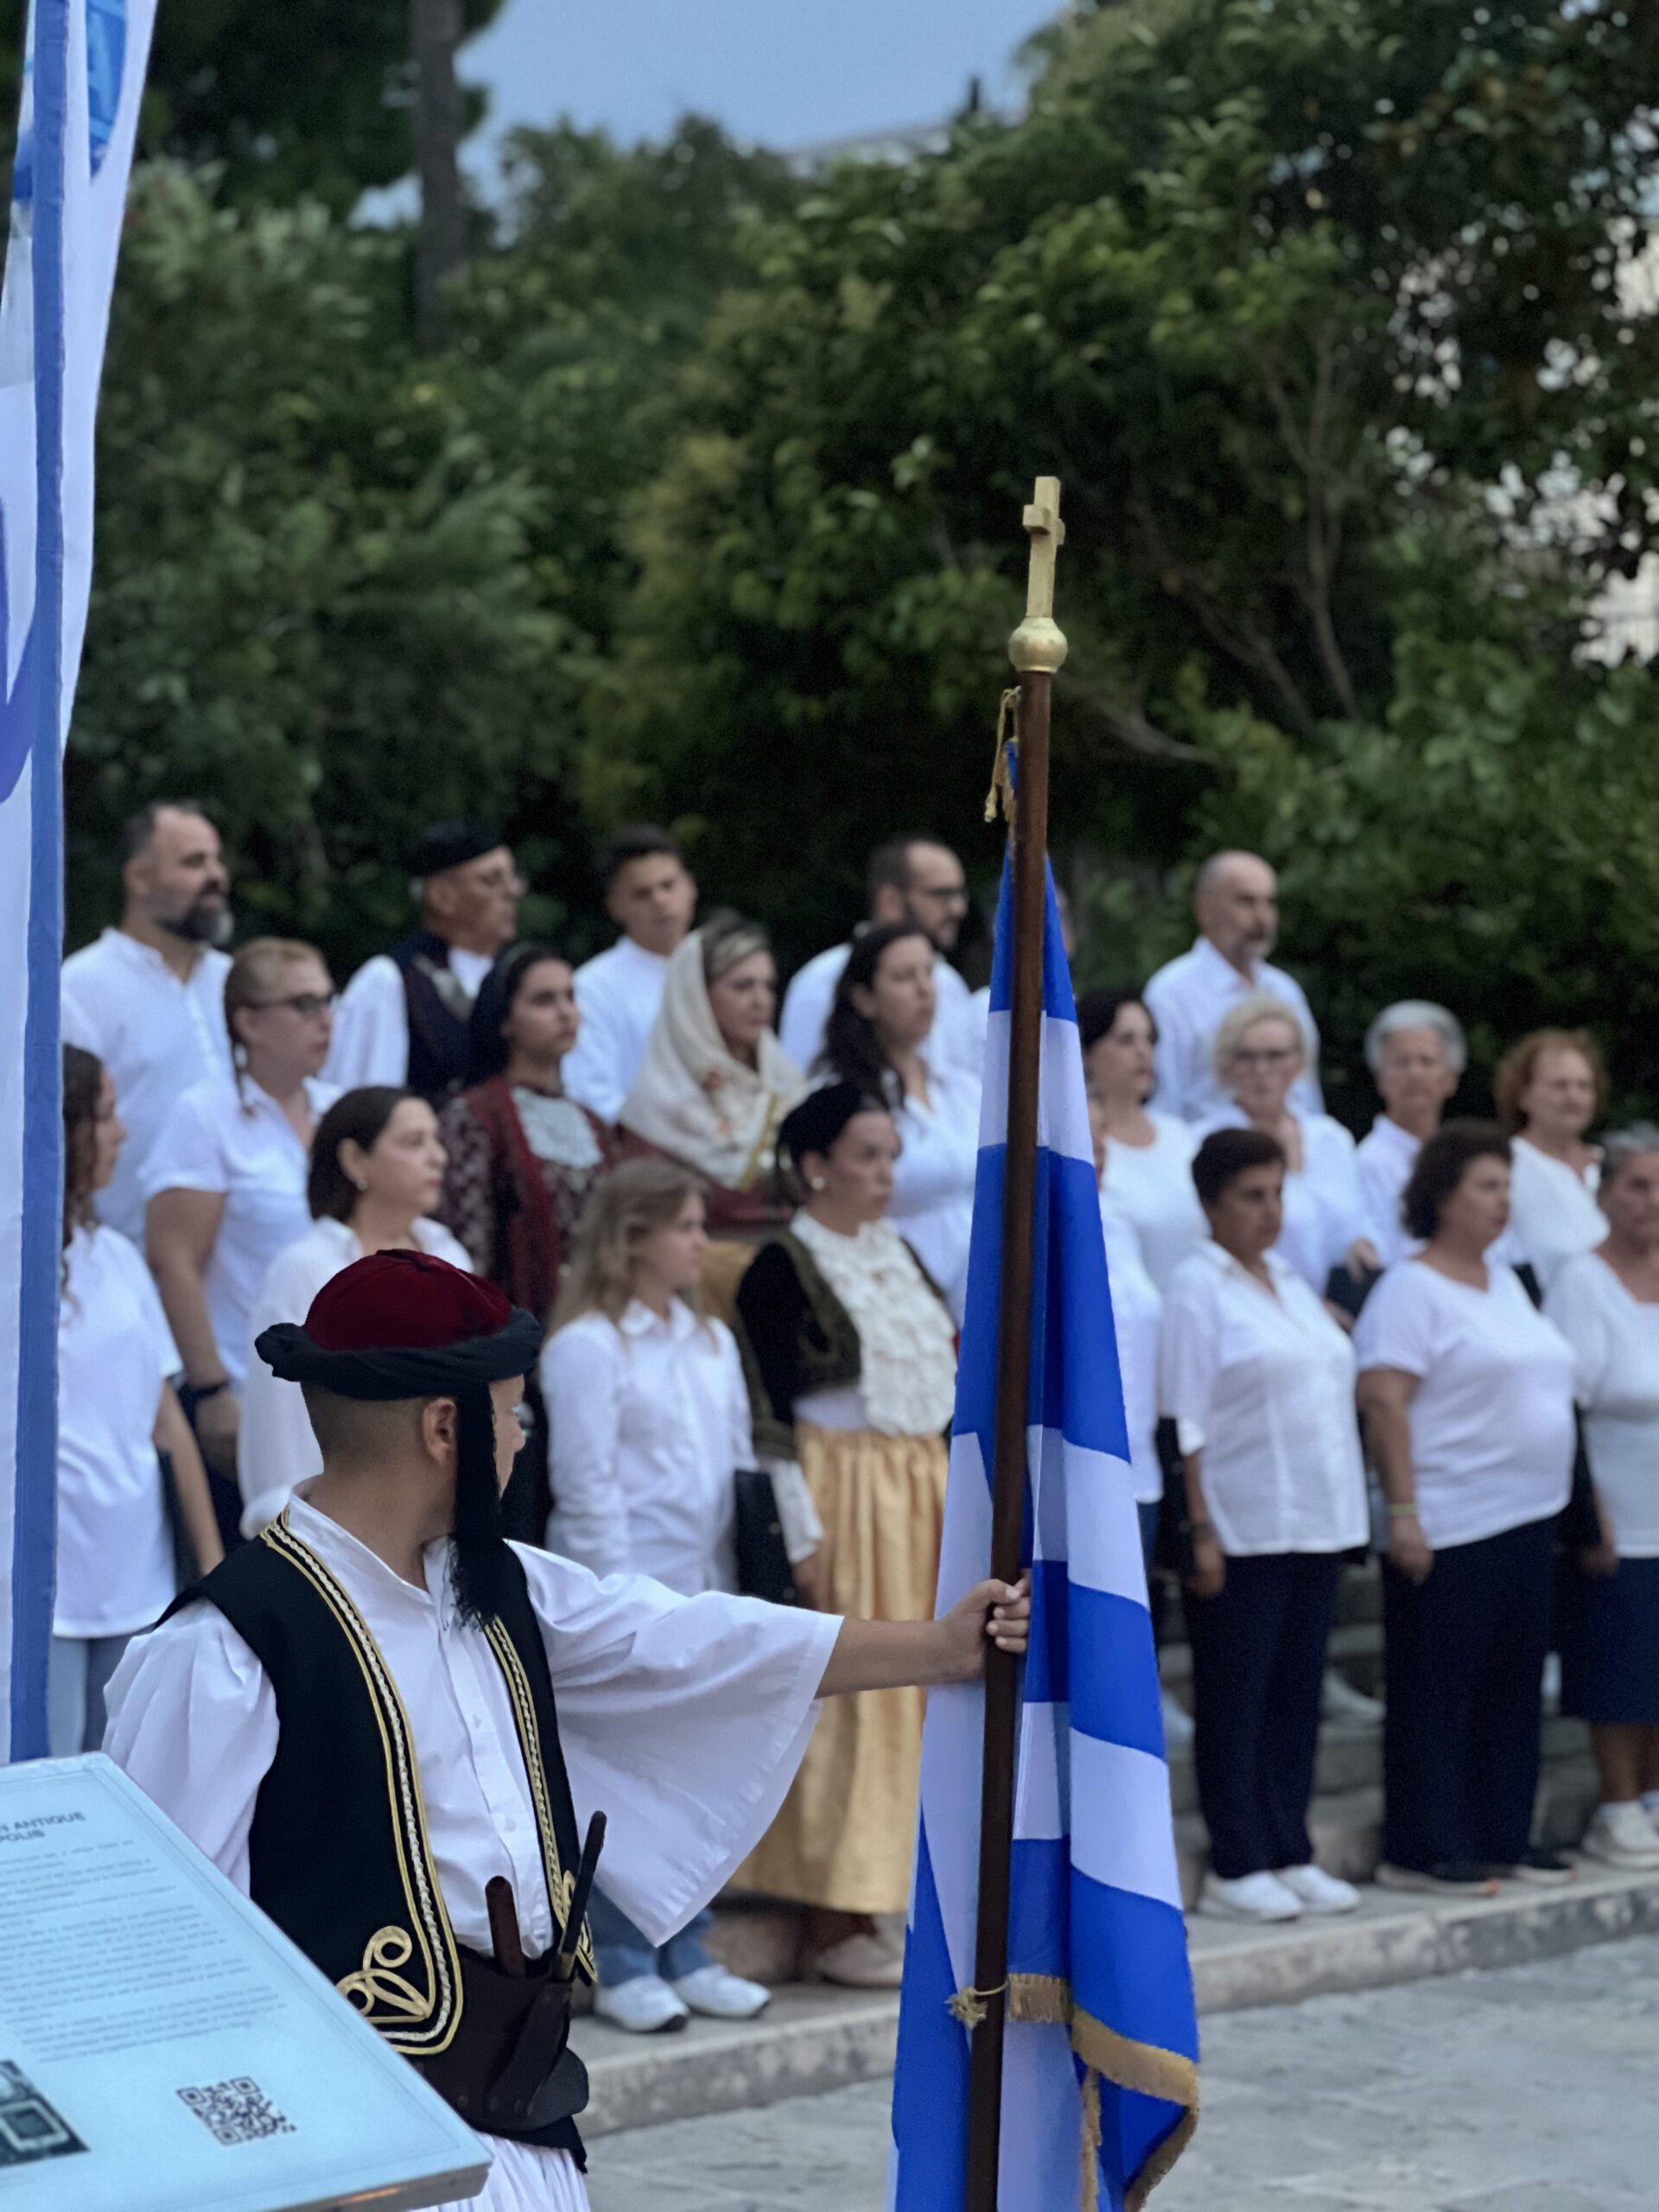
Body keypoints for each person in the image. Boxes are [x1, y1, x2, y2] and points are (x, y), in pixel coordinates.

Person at [105, 1248, 1033, 2212]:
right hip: (356, 2149)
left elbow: (686, 1641)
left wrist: (938, 1648)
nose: (518, 1441)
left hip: (522, 2116)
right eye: (512, 1414)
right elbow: (163, 1949)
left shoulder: (496, 1583)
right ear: (442, 1428)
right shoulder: (226, 1649)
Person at [542, 1161, 814, 2029]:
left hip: (704, 1584)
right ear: (634, 1237)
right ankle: (622, 1960)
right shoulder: (588, 1346)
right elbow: (587, 1484)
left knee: (692, 1775)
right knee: (622, 1781)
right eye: (686, 1227)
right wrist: (617, 1607)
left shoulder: (709, 1341)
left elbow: (737, 1462)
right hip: (630, 1592)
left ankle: (686, 1945)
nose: (703, 1242)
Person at [734, 1086, 958, 1986]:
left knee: (921, 1697)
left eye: (890, 1156)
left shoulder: (899, 1251)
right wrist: (801, 1534)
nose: (884, 1173)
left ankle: (900, 1890)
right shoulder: (783, 1265)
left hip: (918, 1486)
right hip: (845, 1490)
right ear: (815, 1165)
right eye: (866, 1155)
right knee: (858, 1695)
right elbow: (768, 1412)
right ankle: (836, 1912)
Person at [1356, 1123, 1579, 1893]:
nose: (1502, 1201)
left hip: (1528, 1515)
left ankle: (1502, 1834)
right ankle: (1424, 1847)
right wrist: (1404, 1510)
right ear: (1444, 1196)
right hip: (1451, 1519)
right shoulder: (1411, 1288)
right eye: (1487, 1186)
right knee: (1439, 1691)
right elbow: (1384, 1401)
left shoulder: (1507, 1281)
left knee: (1511, 1689)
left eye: (1507, 1187)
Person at [1160, 1128, 1369, 1923]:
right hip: (1243, 1524)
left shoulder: (1287, 1279)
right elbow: (1184, 1419)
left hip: (1316, 1519)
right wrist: (1199, 1530)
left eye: (1278, 1194)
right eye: (1251, 1196)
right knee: (1236, 1698)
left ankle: (1290, 1848)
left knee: (1295, 1696)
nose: (1269, 1211)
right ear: (1210, 1203)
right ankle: (1238, 1859)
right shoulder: (1197, 1288)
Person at [51, 1046, 223, 1757]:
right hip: (45, 1594)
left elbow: (167, 1423)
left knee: (121, 1781)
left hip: (137, 1578)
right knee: (41, 1784)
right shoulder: (14, 1267)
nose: (121, 1134)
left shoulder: (118, 1257)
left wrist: (212, 1572)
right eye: (103, 1116)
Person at [143, 938, 339, 1532]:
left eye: (328, 1001)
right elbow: (173, 1259)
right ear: (249, 1022)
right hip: (249, 1391)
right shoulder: (205, 1115)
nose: (325, 1020)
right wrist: (211, 1391)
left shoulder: (338, 1112)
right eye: (304, 1004)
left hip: (340, 1393)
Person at [238, 1088, 473, 1538]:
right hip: (336, 1532)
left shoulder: (450, 1254)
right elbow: (280, 1423)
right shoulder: (307, 1268)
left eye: (436, 1140)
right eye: (414, 1142)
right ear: (355, 1160)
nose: (438, 1157)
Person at [1545, 1128, 1659, 1871]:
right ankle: (1617, 1804)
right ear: (1606, 1194)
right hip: (1620, 1512)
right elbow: (1567, 1407)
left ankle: (1654, 1795)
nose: (1653, 1202)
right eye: (1637, 1186)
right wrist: (1590, 1513)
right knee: (1621, 1663)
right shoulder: (1581, 1283)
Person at [60, 800, 234, 1246]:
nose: (216, 876)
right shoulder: (81, 987)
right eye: (194, 862)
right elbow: (71, 1129)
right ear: (139, 878)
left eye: (217, 860)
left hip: (241, 1263)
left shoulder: (234, 982)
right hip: (127, 1253)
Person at [438, 943, 614, 1325]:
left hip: (596, 1326)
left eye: (570, 997)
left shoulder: (592, 1124)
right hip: (515, 1332)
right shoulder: (474, 1117)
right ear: (505, 1021)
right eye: (543, 1000)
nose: (565, 1013)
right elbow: (469, 1251)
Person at [617, 910, 806, 1263]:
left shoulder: (787, 1087)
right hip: (700, 1272)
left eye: (768, 986)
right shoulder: (658, 1103)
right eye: (742, 986)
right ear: (696, 997)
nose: (760, 1000)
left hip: (792, 1265)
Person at [816, 921, 981, 1324]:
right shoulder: (840, 1096)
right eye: (905, 977)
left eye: (929, 973)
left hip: (986, 1295)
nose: (925, 990)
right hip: (900, 1297)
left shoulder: (963, 1088)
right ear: (865, 998)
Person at [327, 820, 524, 1103]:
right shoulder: (390, 980)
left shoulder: (516, 980)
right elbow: (363, 1107)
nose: (513, 891)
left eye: (512, 878)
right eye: (492, 881)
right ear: (442, 896)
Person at [1202, 995, 1378, 1299]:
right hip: (1254, 1303)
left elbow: (1361, 1220)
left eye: (1275, 1056)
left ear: (1298, 1062)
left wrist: (1362, 1243)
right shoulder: (1208, 1141)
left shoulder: (1330, 1138)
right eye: (1247, 1057)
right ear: (1227, 1065)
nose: (1261, 1069)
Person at [779, 836, 980, 1084]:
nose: (958, 908)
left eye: (959, 894)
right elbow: (802, 1089)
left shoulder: (949, 982)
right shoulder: (822, 980)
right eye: (941, 894)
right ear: (890, 900)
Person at [1143, 850, 1322, 1126]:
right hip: (1207, 1148)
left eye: (1269, 903)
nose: (1261, 917)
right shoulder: (1171, 994)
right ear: (1205, 909)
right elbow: (1165, 1106)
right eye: (1246, 901)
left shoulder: (1286, 990)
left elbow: (1307, 1093)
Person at [561, 826, 698, 1124]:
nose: (660, 900)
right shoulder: (592, 988)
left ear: (690, 887)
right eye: (642, 893)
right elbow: (591, 1094)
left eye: (668, 885)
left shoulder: (723, 973)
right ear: (614, 905)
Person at [1080, 988, 1206, 1294]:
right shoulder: (1083, 1149)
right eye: (1126, 1040)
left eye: (1149, 1039)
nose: (1143, 1051)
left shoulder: (1181, 1136)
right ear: (1086, 1054)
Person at [1355, 1001, 1467, 1269]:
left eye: (1427, 1062)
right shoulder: (1367, 1164)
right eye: (1401, 1062)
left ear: (1450, 1078)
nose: (1414, 1074)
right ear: (1380, 1078)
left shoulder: (1466, 1160)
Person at [1496, 1027, 1608, 1292]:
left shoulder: (1613, 1166)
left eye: (1584, 1086)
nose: (1573, 1096)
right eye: (1560, 1085)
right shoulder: (1505, 1165)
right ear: (1523, 1095)